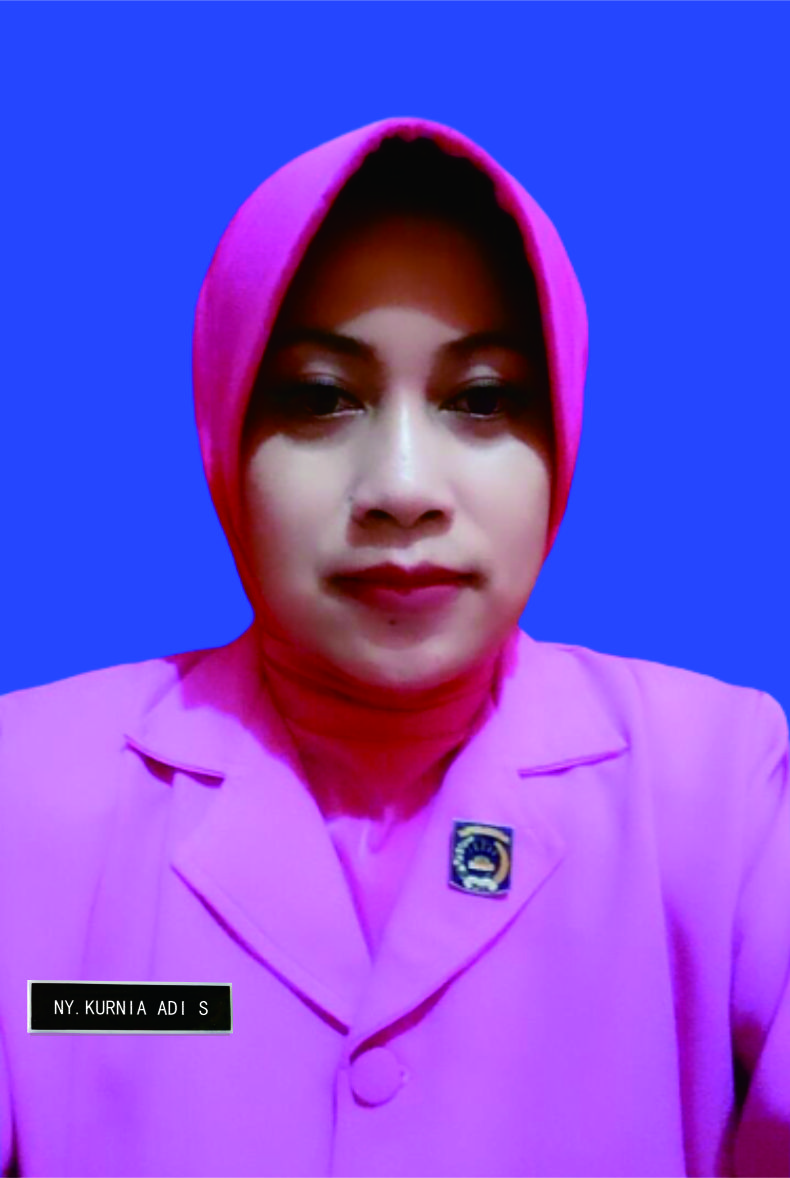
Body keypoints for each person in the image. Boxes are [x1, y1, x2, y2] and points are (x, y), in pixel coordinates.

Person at [0, 116, 787, 1178]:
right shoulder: (26, 790)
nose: (404, 488)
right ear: (226, 430)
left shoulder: (722, 791)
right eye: (323, 398)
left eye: (482, 399)